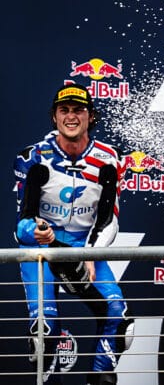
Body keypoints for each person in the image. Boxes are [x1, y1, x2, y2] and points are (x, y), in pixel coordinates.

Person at [14, 83, 133, 385]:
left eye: (78, 110)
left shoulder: (110, 159)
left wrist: (89, 254)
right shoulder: (32, 157)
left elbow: (109, 219)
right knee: (44, 333)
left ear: (91, 116)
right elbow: (22, 225)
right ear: (53, 117)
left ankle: (99, 378)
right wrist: (38, 231)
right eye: (63, 110)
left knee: (118, 317)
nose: (71, 116)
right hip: (43, 249)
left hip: (85, 246)